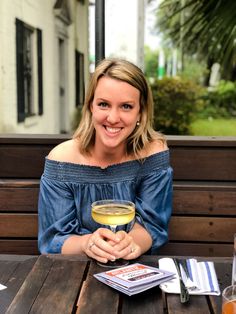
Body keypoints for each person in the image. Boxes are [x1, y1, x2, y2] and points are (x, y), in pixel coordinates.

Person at [38, 58, 173, 265]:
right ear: (91, 106)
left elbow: (151, 225)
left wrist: (130, 243)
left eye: (126, 106)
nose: (112, 117)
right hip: (72, 273)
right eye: (103, 104)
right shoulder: (62, 160)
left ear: (141, 112)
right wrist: (86, 244)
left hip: (132, 271)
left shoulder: (152, 154)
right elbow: (53, 239)